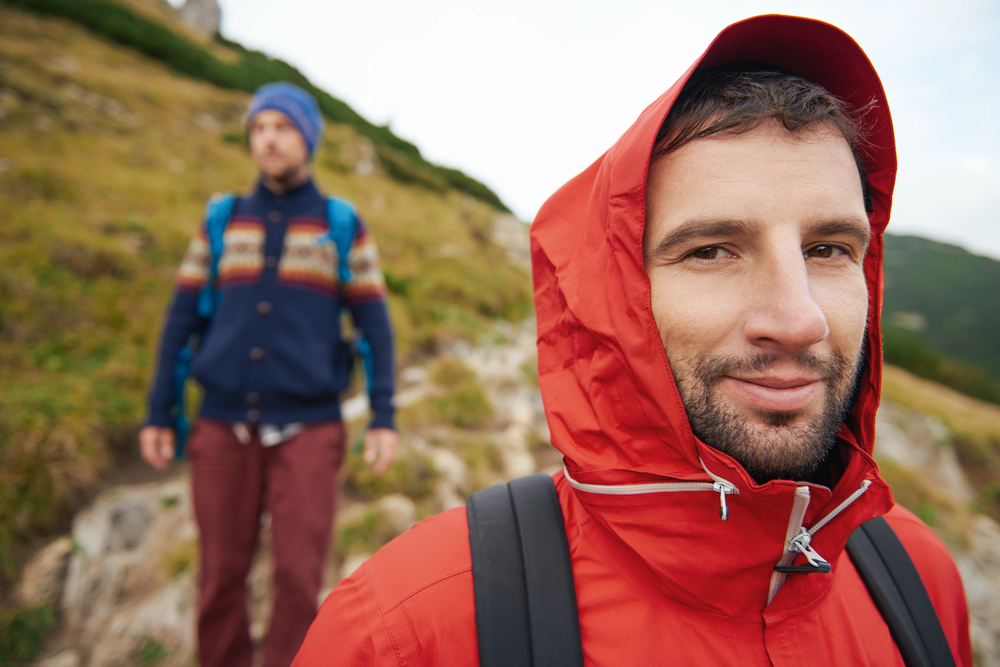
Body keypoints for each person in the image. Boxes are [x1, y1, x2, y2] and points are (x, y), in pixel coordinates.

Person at [292, 15, 972, 666]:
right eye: (712, 251)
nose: (799, 321)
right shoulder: (405, 633)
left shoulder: (922, 578)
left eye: (828, 248)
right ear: (621, 297)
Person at [139, 82, 399, 667]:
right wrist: (161, 411)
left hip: (309, 430)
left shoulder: (341, 223)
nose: (268, 138)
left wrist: (384, 416)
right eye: (258, 128)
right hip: (221, 428)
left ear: (306, 138)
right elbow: (181, 319)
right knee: (219, 580)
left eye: (282, 127)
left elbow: (375, 326)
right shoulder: (221, 220)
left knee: (299, 583)